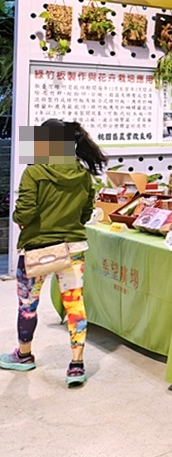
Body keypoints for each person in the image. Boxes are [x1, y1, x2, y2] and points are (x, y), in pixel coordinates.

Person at [2, 120, 107, 387]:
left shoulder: (34, 171)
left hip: (37, 249)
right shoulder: (83, 174)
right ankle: (76, 365)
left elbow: (24, 212)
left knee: (28, 306)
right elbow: (85, 214)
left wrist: (19, 218)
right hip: (73, 250)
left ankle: (24, 355)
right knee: (74, 304)